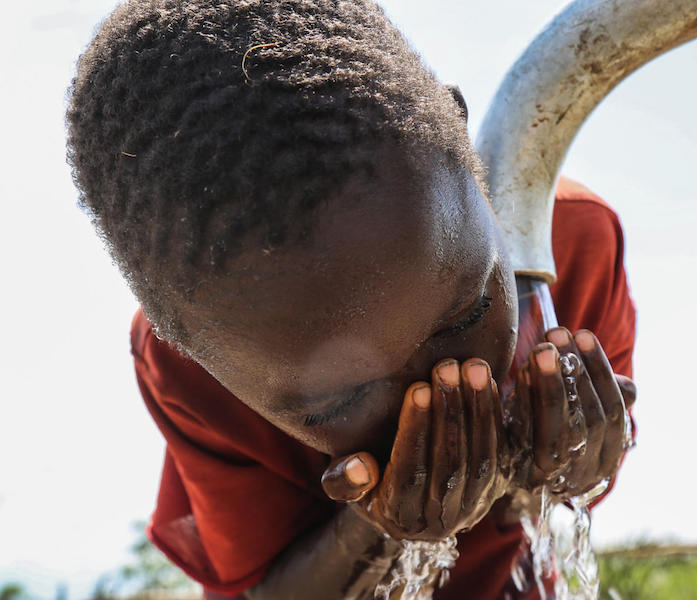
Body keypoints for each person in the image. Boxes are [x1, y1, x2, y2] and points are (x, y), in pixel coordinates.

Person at [66, 0, 637, 598]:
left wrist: (568, 462)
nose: (437, 391)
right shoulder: (188, 371)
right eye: (343, 399)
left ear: (460, 143)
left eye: (468, 314)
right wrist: (375, 531)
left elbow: (561, 507)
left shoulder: (569, 247)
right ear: (194, 352)